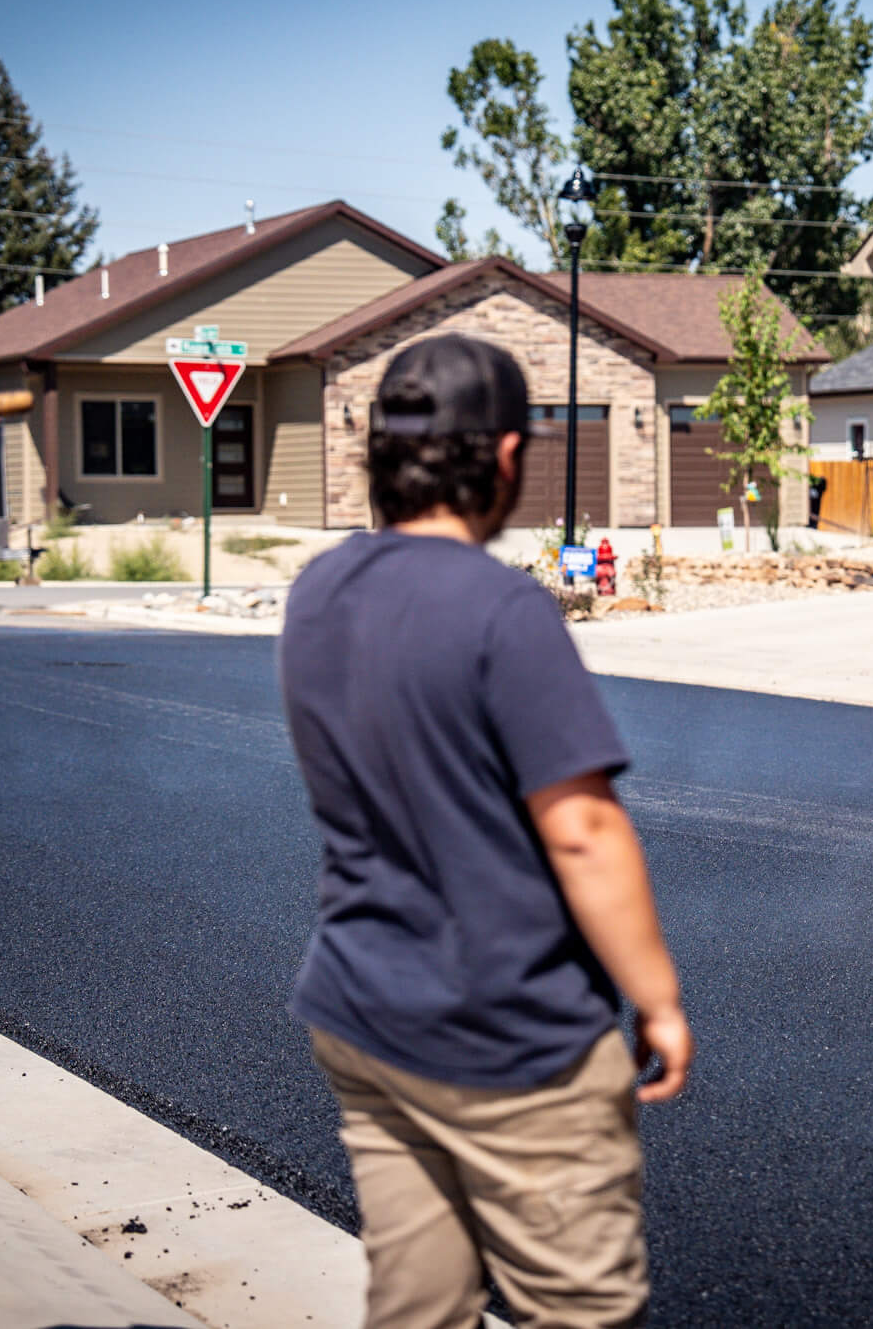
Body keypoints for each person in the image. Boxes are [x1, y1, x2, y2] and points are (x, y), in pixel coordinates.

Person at [279, 334, 693, 1329]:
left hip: (361, 1014)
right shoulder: (502, 611)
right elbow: (583, 828)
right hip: (509, 1042)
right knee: (582, 1311)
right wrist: (657, 1001)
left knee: (417, 1306)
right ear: (503, 458)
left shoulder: (318, 591)